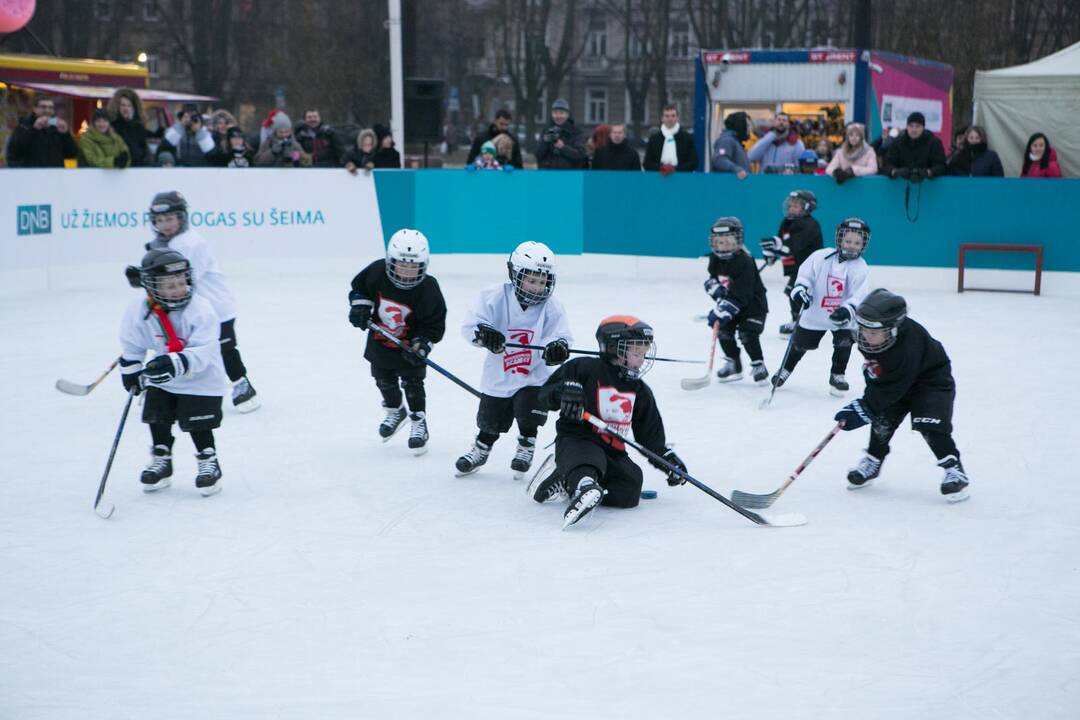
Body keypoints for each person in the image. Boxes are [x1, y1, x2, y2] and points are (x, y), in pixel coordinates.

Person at [530, 316, 688, 529]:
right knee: (588, 460)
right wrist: (564, 391)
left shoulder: (639, 390)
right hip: (578, 439)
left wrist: (667, 461)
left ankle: (565, 478)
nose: (641, 359)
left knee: (630, 488)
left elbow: (650, 436)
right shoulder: (584, 368)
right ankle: (583, 484)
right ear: (614, 348)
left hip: (613, 451)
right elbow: (544, 395)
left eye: (644, 353)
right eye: (636, 353)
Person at [126, 192, 260, 412]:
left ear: (181, 217)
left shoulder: (190, 243)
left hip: (215, 308)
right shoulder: (161, 244)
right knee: (172, 344)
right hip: (183, 307)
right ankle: (166, 387)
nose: (164, 225)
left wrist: (146, 279)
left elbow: (179, 279)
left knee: (223, 348)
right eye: (159, 221)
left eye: (169, 219)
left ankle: (242, 385)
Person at [836, 289, 969, 502]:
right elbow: (881, 379)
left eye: (873, 333)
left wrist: (865, 407)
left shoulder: (909, 344)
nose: (866, 337)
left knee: (930, 426)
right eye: (863, 330)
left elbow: (892, 386)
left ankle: (954, 469)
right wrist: (868, 402)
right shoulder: (872, 338)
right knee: (882, 422)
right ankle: (873, 461)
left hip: (930, 382)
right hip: (896, 381)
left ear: (893, 329)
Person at [455, 241, 572, 478]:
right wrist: (484, 334)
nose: (537, 287)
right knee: (490, 420)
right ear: (514, 274)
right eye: (531, 280)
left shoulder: (552, 307)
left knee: (530, 412)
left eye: (542, 282)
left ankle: (526, 445)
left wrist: (557, 349)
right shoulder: (493, 296)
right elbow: (471, 325)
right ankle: (481, 447)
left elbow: (561, 336)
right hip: (499, 375)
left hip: (533, 377)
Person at [119, 248, 228, 496]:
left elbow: (205, 349)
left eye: (181, 282)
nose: (178, 289)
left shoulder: (201, 308)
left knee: (198, 425)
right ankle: (162, 460)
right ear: (150, 287)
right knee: (157, 417)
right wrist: (132, 368)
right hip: (164, 380)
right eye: (169, 286)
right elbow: (133, 342)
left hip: (200, 380)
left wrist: (175, 363)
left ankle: (208, 463)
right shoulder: (139, 309)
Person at [348, 229, 447, 453]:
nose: (407, 272)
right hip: (380, 341)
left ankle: (418, 420)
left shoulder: (428, 289)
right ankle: (395, 410)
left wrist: (421, 344)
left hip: (409, 348)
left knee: (413, 384)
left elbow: (434, 324)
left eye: (414, 267)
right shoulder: (376, 272)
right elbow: (359, 289)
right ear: (390, 261)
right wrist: (361, 307)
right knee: (383, 379)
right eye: (402, 265)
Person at [771, 217, 872, 396]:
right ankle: (785, 370)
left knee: (844, 343)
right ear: (840, 239)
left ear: (863, 244)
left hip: (842, 316)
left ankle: (837, 375)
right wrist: (800, 289)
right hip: (815, 313)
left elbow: (859, 294)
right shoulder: (820, 256)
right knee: (800, 344)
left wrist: (848, 309)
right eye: (848, 241)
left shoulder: (860, 267)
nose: (851, 245)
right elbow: (805, 276)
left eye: (857, 243)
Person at [703, 217, 769, 384]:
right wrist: (714, 288)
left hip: (753, 306)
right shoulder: (714, 259)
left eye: (727, 242)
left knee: (747, 333)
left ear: (737, 242)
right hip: (731, 303)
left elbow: (742, 294)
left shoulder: (744, 261)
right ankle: (733, 363)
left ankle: (758, 364)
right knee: (723, 330)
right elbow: (714, 278)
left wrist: (723, 309)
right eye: (719, 242)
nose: (722, 246)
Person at [759, 190, 823, 335]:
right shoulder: (787, 222)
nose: (791, 208)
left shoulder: (810, 225)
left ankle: (802, 322)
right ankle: (798, 320)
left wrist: (779, 246)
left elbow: (793, 244)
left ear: (807, 208)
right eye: (790, 205)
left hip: (810, 267)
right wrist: (772, 255)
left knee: (794, 291)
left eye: (796, 206)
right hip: (797, 266)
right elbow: (781, 241)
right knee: (793, 292)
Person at [6, 95, 77, 167]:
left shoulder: (57, 128)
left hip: (55, 174)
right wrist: (34, 129)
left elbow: (71, 154)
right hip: (31, 174)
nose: (47, 110)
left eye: (51, 108)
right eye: (43, 107)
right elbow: (15, 151)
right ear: (35, 109)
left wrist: (65, 134)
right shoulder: (24, 126)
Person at [881, 111, 947, 181]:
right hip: (900, 186)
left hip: (929, 187)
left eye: (917, 126)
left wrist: (927, 172)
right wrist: (895, 172)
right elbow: (886, 165)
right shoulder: (897, 142)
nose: (914, 129)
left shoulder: (934, 143)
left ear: (923, 127)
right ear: (907, 127)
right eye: (911, 126)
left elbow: (941, 166)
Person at [643, 105, 698, 175]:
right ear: (662, 118)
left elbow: (693, 162)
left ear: (677, 118)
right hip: (659, 178)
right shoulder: (654, 139)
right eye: (667, 116)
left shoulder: (687, 138)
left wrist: (675, 169)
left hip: (682, 179)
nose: (670, 119)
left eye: (673, 116)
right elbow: (647, 163)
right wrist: (661, 168)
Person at [535, 98, 587, 170]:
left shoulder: (576, 132)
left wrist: (563, 147)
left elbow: (580, 155)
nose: (558, 116)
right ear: (552, 114)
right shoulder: (546, 130)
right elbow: (538, 154)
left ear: (567, 114)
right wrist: (545, 141)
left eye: (561, 113)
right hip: (548, 175)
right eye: (555, 113)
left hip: (569, 175)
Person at [108, 88, 151, 167]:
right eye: (123, 105)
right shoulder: (111, 126)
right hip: (117, 169)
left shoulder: (139, 127)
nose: (126, 109)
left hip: (137, 169)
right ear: (117, 107)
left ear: (133, 108)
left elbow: (144, 150)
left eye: (129, 105)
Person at [710, 111, 751, 178]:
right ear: (741, 125)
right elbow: (719, 159)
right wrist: (736, 169)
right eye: (747, 126)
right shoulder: (726, 141)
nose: (749, 130)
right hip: (728, 185)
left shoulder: (736, 141)